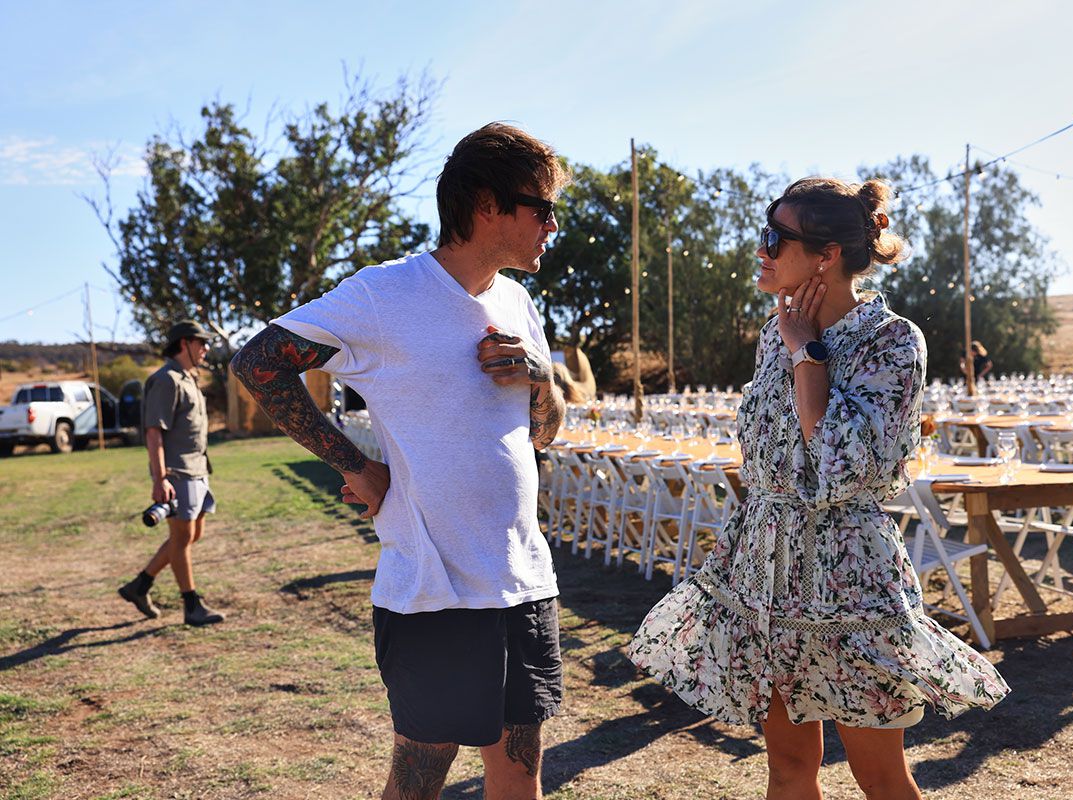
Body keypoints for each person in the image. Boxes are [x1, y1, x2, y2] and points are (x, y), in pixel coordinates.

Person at [629, 177, 1008, 799]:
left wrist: (807, 352)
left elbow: (841, 465)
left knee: (879, 775)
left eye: (775, 238)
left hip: (849, 574)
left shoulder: (891, 340)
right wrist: (792, 341)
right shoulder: (771, 333)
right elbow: (763, 456)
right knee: (787, 765)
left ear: (826, 255)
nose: (762, 250)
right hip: (767, 567)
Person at [231, 122, 569, 800]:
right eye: (542, 208)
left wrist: (543, 380)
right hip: (433, 591)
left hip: (523, 582)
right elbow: (258, 363)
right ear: (486, 204)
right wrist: (355, 465)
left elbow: (544, 434)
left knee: (519, 774)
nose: (552, 226)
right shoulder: (384, 295)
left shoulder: (517, 300)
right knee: (418, 784)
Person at [117, 320, 225, 627]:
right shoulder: (166, 380)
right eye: (201, 342)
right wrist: (160, 478)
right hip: (177, 472)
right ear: (184, 344)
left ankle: (140, 586)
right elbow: (154, 432)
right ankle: (191, 606)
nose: (206, 348)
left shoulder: (188, 377)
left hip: (198, 468)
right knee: (181, 537)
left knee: (192, 535)